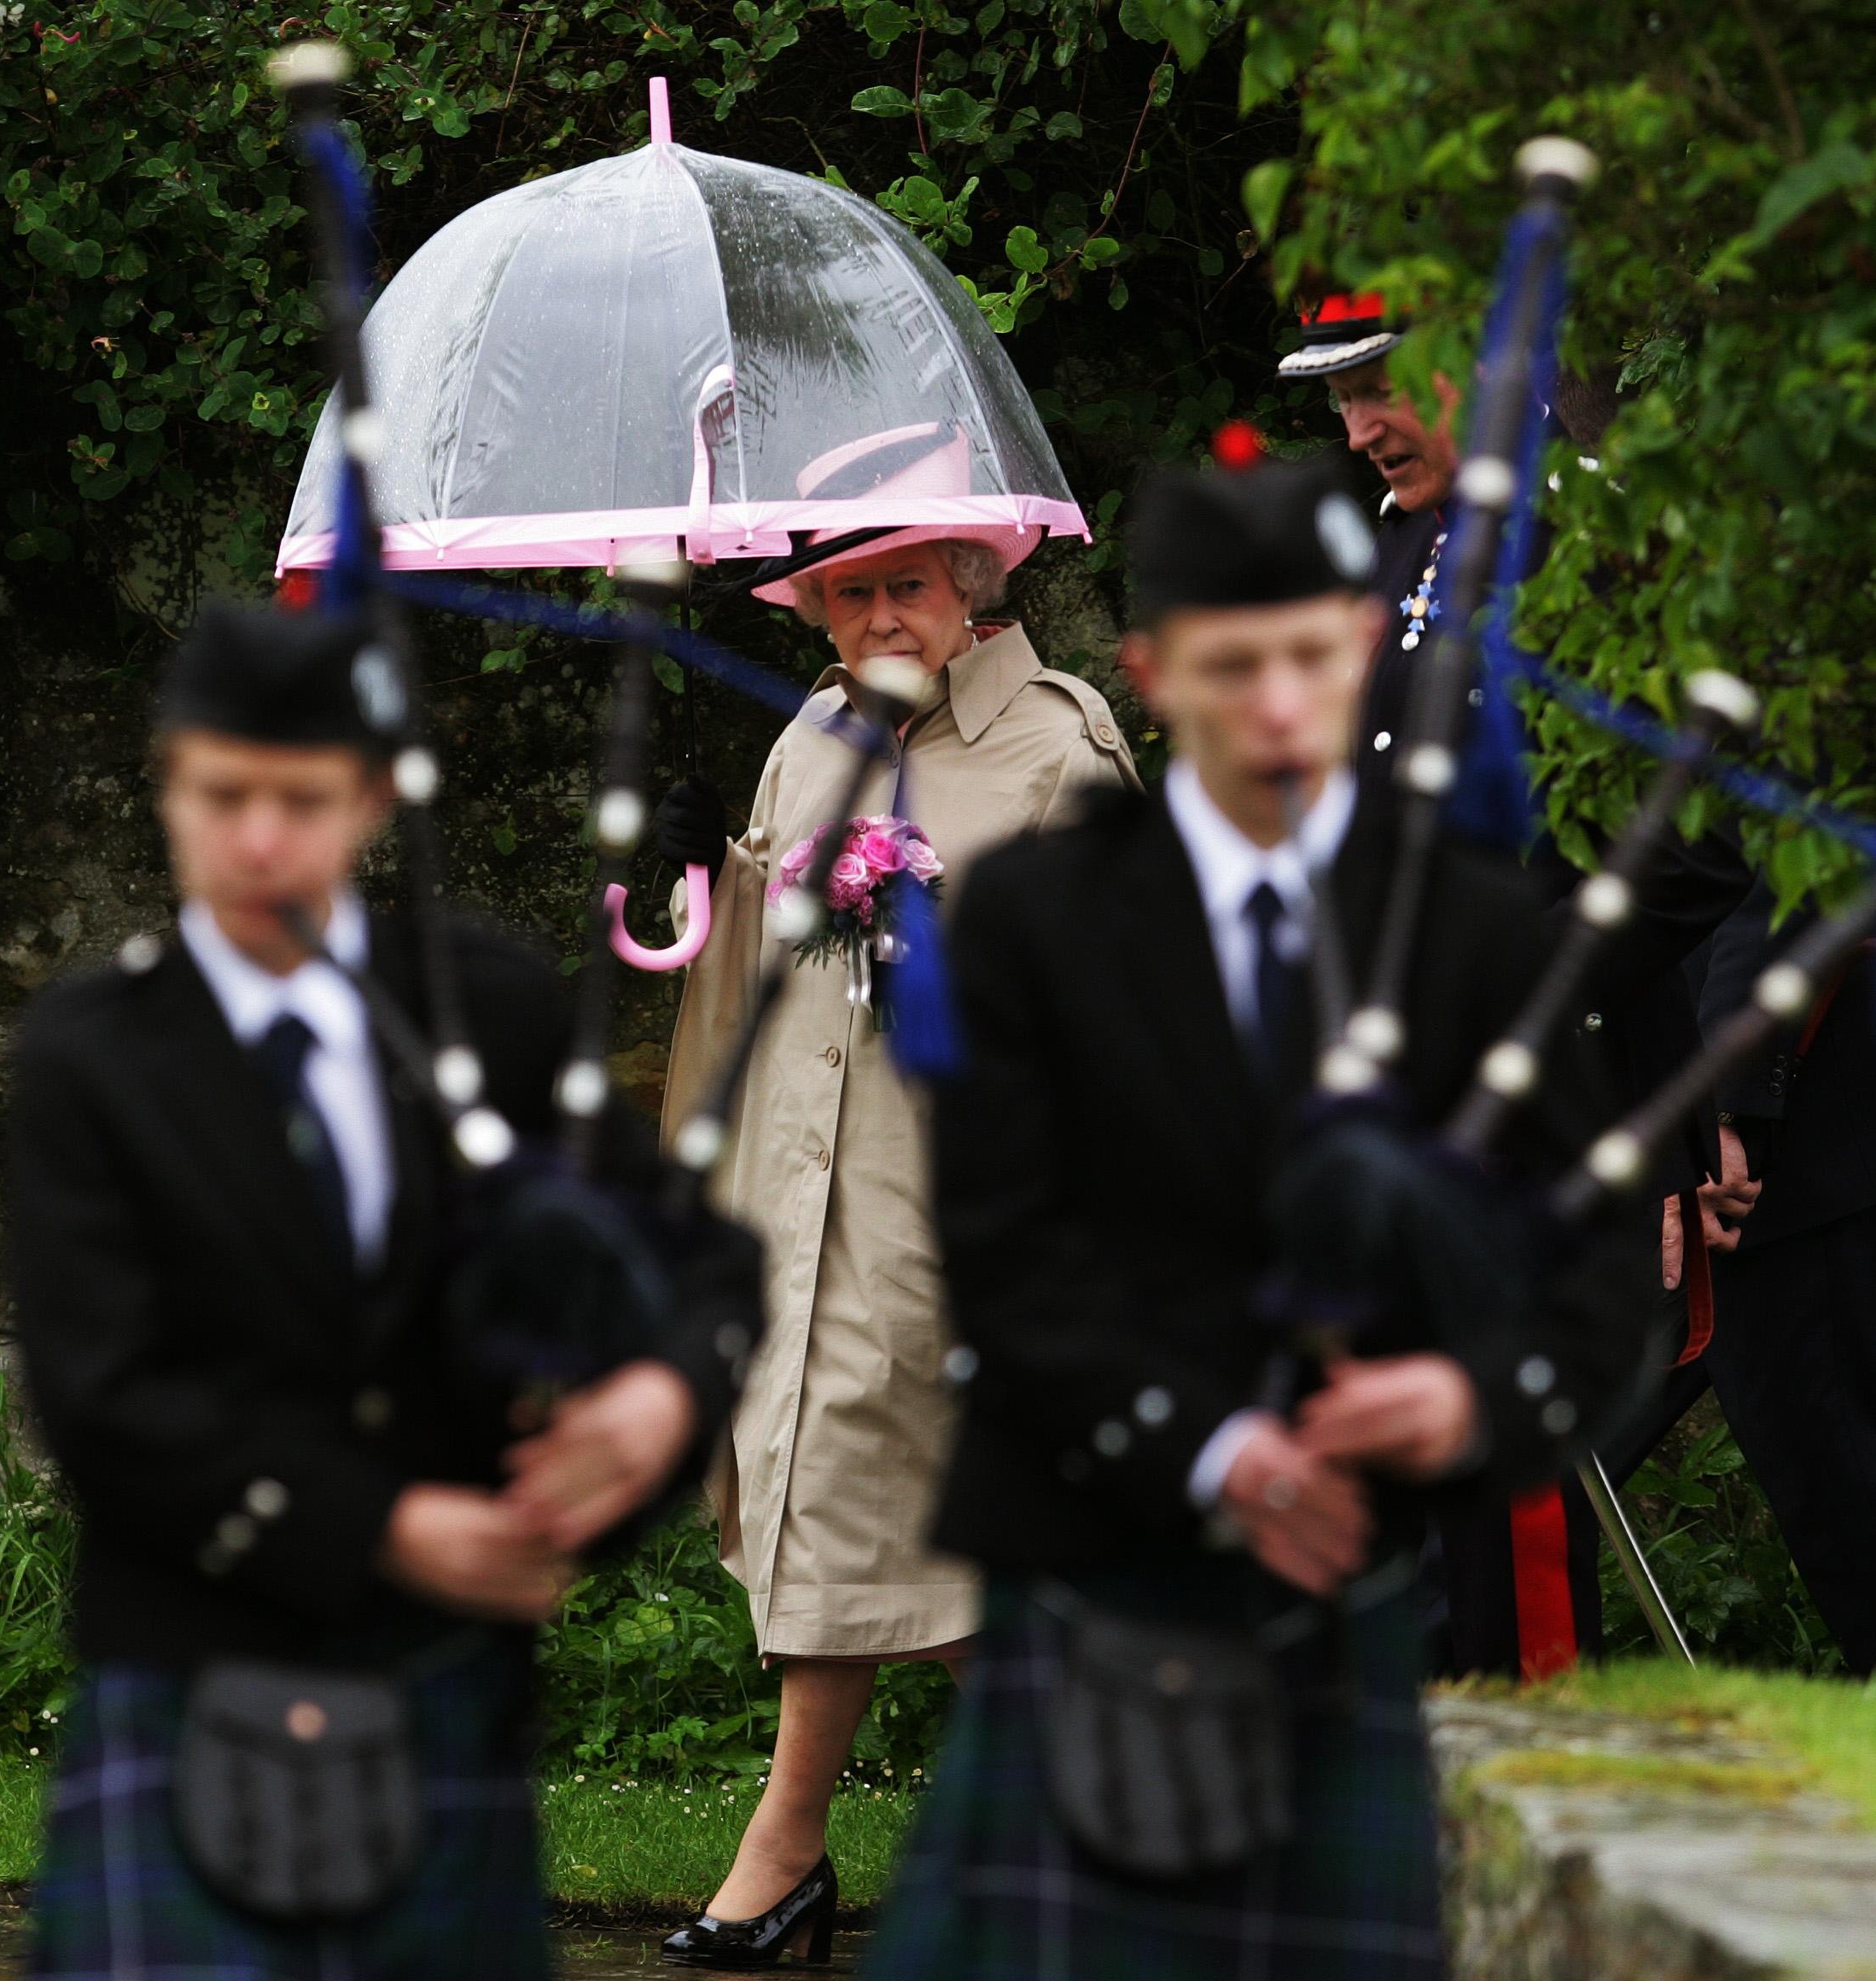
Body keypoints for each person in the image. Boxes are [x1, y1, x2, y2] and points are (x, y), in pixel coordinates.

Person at [864, 441, 1642, 1978]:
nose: (1278, 709)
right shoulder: (1039, 917)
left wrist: (1468, 1394)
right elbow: (1006, 1255)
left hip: (1350, 1591)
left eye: (1308, 658)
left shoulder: (1470, 930)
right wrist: (1216, 1449)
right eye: (1233, 668)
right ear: (1151, 674)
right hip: (1100, 1557)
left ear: (1361, 649)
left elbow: (1592, 1267)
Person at [2, 603, 759, 1981]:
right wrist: (389, 1528)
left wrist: (656, 1398)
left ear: (364, 797)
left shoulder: (489, 1010)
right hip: (193, 1665)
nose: (257, 838)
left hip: (442, 1691)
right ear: (168, 785)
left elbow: (698, 1267)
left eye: (298, 799)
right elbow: (101, 1399)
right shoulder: (89, 1057)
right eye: (221, 794)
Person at [647, 422, 1140, 1964]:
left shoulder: (1060, 752)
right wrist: (695, 905)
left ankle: (790, 1851)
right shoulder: (807, 742)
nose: (877, 621)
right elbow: (747, 981)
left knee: (915, 1517)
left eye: (906, 585)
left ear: (979, 581)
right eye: (849, 594)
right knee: (858, 1515)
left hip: (961, 1208)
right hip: (800, 1199)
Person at [1285, 294, 1753, 1677]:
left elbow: (1696, 847)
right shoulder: (1391, 557)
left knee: (1505, 1551)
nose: (1361, 424)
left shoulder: (1588, 542)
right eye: (1337, 391)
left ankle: (1511, 1864)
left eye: (1384, 381)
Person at [1591, 885, 1876, 1696]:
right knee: (1540, 1451)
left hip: (1765, 1143)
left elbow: (1779, 876)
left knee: (1842, 1487)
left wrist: (1723, 1106)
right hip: (1658, 1113)